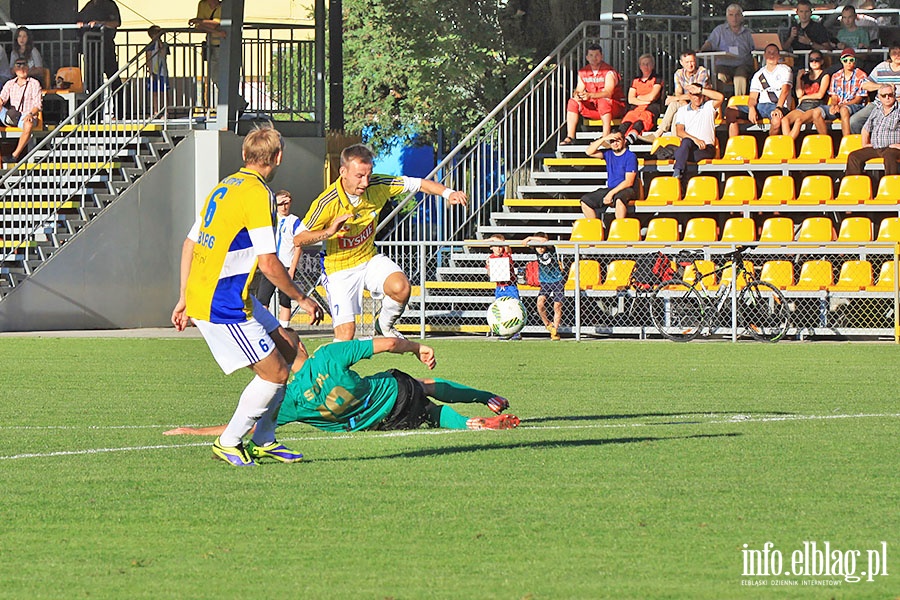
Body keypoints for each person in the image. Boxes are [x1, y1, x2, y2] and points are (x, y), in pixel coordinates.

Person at [171, 123, 325, 467]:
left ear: (244, 155)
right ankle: (229, 441)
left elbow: (189, 243)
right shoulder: (257, 194)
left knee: (289, 346)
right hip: (223, 300)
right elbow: (269, 263)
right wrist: (301, 298)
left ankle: (265, 438)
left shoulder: (224, 187)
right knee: (275, 374)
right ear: (279, 156)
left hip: (220, 291)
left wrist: (183, 295)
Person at [163, 337, 519, 438]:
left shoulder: (283, 400)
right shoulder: (328, 356)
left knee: (430, 414)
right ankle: (482, 397)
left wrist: (192, 430)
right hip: (395, 392)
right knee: (424, 387)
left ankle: (469, 424)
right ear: (300, 348)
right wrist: (417, 347)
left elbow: (242, 426)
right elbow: (387, 345)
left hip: (379, 423)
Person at [294, 143, 468, 341]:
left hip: (369, 259)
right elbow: (299, 239)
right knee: (346, 336)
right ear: (343, 171)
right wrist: (329, 231)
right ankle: (330, 371)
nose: (366, 182)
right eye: (359, 176)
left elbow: (419, 183)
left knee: (401, 287)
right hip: (338, 270)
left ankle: (383, 326)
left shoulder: (379, 185)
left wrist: (448, 193)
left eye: (369, 175)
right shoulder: (327, 202)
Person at [561, 44, 625, 144]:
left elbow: (608, 93)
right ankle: (570, 137)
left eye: (596, 55)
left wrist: (590, 95)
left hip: (613, 108)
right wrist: (578, 95)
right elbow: (579, 89)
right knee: (572, 102)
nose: (594, 58)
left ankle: (605, 136)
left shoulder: (609, 71)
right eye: (591, 55)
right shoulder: (583, 71)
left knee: (603, 101)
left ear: (602, 56)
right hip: (595, 109)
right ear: (587, 57)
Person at [256, 190, 301, 328]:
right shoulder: (271, 218)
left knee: (285, 299)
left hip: (286, 264)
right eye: (280, 203)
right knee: (263, 298)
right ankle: (266, 326)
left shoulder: (294, 221)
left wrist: (293, 268)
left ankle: (285, 328)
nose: (284, 207)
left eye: (286, 203)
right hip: (271, 263)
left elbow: (298, 245)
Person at [726, 44, 792, 137]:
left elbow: (785, 91)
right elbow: (753, 97)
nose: (771, 55)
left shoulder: (785, 70)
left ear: (779, 55)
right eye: (769, 52)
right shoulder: (758, 74)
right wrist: (751, 108)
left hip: (777, 106)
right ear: (764, 55)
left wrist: (778, 108)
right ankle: (733, 145)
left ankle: (770, 145)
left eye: (774, 53)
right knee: (730, 111)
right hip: (760, 106)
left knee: (776, 121)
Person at [580, 131, 639, 224]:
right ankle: (597, 229)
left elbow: (629, 182)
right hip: (611, 189)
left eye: (618, 140)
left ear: (624, 141)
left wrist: (611, 194)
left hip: (627, 189)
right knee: (585, 201)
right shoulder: (608, 154)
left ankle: (619, 229)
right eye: (612, 141)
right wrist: (604, 139)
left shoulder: (630, 156)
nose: (615, 143)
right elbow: (589, 152)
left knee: (619, 199)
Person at [650, 50, 710, 140]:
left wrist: (674, 98)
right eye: (687, 62)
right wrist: (682, 103)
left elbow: (696, 93)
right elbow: (678, 91)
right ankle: (675, 141)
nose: (690, 65)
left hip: (700, 104)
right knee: (677, 114)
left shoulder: (702, 72)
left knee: (674, 104)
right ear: (681, 63)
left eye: (692, 61)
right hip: (686, 104)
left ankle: (660, 133)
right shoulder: (679, 73)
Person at [700, 4, 755, 96]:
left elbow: (756, 48)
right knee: (718, 75)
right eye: (731, 15)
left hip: (742, 65)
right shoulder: (719, 30)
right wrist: (702, 50)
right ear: (727, 17)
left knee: (740, 77)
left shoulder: (748, 33)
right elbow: (710, 43)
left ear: (741, 17)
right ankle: (718, 105)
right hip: (723, 65)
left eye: (737, 15)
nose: (734, 18)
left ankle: (739, 105)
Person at [845, 83, 900, 176]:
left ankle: (891, 186)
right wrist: (865, 144)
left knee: (890, 156)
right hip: (876, 147)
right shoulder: (876, 110)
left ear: (894, 95)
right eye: (884, 95)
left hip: (892, 148)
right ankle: (855, 187)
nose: (887, 98)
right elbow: (865, 129)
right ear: (879, 97)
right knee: (854, 156)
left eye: (890, 95)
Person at [673, 83, 725, 180]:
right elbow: (679, 131)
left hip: (706, 148)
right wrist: (695, 140)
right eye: (694, 95)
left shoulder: (708, 107)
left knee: (680, 154)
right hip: (690, 146)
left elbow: (720, 97)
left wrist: (701, 90)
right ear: (689, 96)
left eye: (699, 95)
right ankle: (678, 173)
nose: (696, 98)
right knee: (686, 142)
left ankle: (678, 173)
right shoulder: (682, 110)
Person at [522, 232, 564, 341]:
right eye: (538, 247)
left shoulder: (551, 248)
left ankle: (555, 330)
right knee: (540, 303)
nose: (540, 249)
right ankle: (548, 324)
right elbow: (525, 244)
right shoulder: (536, 250)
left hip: (557, 280)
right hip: (545, 282)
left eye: (542, 246)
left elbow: (544, 241)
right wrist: (529, 239)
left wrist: (530, 237)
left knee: (557, 305)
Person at [849, 45, 900, 134]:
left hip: (898, 103)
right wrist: (882, 86)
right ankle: (864, 145)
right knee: (854, 121)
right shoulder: (881, 67)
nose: (897, 56)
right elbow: (865, 85)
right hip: (879, 104)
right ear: (890, 55)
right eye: (894, 53)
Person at [0, 58, 43, 165]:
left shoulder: (34, 83)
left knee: (28, 124)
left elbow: (38, 105)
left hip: (26, 115)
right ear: (14, 69)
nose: (21, 69)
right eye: (18, 66)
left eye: (24, 66)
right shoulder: (10, 83)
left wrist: (30, 114)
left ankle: (15, 155)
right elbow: (2, 98)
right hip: (11, 115)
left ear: (28, 68)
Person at [75, 0, 122, 96]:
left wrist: (101, 23)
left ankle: (121, 108)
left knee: (113, 78)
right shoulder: (89, 5)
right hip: (90, 49)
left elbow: (116, 22)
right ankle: (95, 109)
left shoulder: (109, 4)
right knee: (92, 81)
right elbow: (79, 19)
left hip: (106, 47)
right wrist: (80, 24)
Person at [781, 50, 830, 138]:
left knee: (799, 121)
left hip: (815, 106)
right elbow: (799, 94)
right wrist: (799, 78)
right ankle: (788, 144)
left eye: (817, 59)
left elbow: (820, 95)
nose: (814, 62)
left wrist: (804, 97)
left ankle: (787, 144)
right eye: (811, 60)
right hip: (803, 106)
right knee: (785, 120)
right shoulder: (805, 76)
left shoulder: (825, 75)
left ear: (822, 61)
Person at [618, 54, 663, 144]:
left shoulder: (657, 79)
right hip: (636, 108)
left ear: (653, 65)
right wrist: (646, 100)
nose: (645, 66)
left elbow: (652, 97)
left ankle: (629, 139)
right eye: (643, 64)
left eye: (648, 64)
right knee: (627, 122)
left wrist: (639, 98)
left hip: (651, 108)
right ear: (640, 66)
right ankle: (617, 138)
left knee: (640, 122)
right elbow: (631, 99)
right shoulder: (636, 80)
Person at [824, 47, 869, 135]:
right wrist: (834, 105)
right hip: (839, 105)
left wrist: (841, 105)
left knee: (844, 110)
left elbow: (858, 99)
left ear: (855, 61)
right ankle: (825, 140)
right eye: (845, 60)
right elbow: (834, 96)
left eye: (851, 60)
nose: (848, 62)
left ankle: (846, 140)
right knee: (816, 112)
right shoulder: (835, 76)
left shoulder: (861, 75)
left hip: (855, 107)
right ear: (841, 61)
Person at [189, 0, 224, 98]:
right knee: (215, 76)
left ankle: (237, 102)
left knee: (219, 76)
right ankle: (238, 102)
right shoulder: (202, 4)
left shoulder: (224, 6)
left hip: (222, 45)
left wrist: (201, 22)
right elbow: (199, 27)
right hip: (211, 44)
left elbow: (216, 24)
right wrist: (214, 30)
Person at [486, 234, 520, 301]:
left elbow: (506, 246)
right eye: (495, 246)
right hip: (499, 286)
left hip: (510, 286)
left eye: (500, 246)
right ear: (491, 247)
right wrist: (490, 267)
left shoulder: (506, 254)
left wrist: (493, 239)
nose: (498, 249)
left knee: (514, 303)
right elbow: (490, 274)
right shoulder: (491, 258)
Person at [146, 25, 169, 116]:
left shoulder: (163, 45)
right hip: (154, 71)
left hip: (162, 70)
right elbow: (148, 57)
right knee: (154, 92)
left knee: (164, 91)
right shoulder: (150, 46)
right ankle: (155, 111)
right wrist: (150, 70)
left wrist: (160, 43)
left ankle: (166, 111)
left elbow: (164, 54)